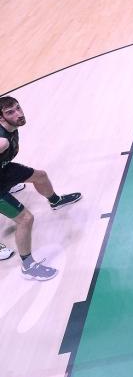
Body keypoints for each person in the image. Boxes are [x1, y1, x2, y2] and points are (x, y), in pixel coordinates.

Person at [0, 96, 82, 280]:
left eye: (18, 108)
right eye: (10, 112)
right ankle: (28, 266)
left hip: (3, 169)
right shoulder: (2, 141)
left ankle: (56, 201)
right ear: (1, 118)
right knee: (25, 219)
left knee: (40, 176)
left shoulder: (11, 128)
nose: (18, 114)